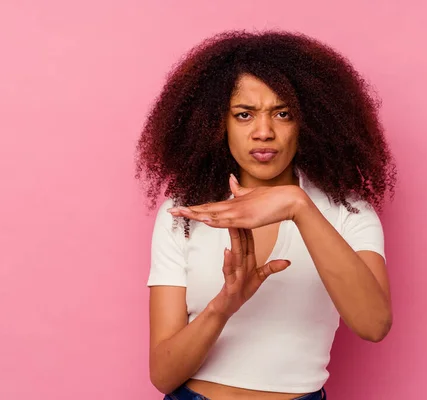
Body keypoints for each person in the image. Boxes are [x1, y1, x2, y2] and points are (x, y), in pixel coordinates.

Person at [136, 30, 397, 400]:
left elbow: (374, 324)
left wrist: (298, 205)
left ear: (308, 122)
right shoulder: (184, 213)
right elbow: (163, 375)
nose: (264, 132)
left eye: (283, 113)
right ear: (217, 124)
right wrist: (224, 306)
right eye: (244, 115)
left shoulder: (347, 213)